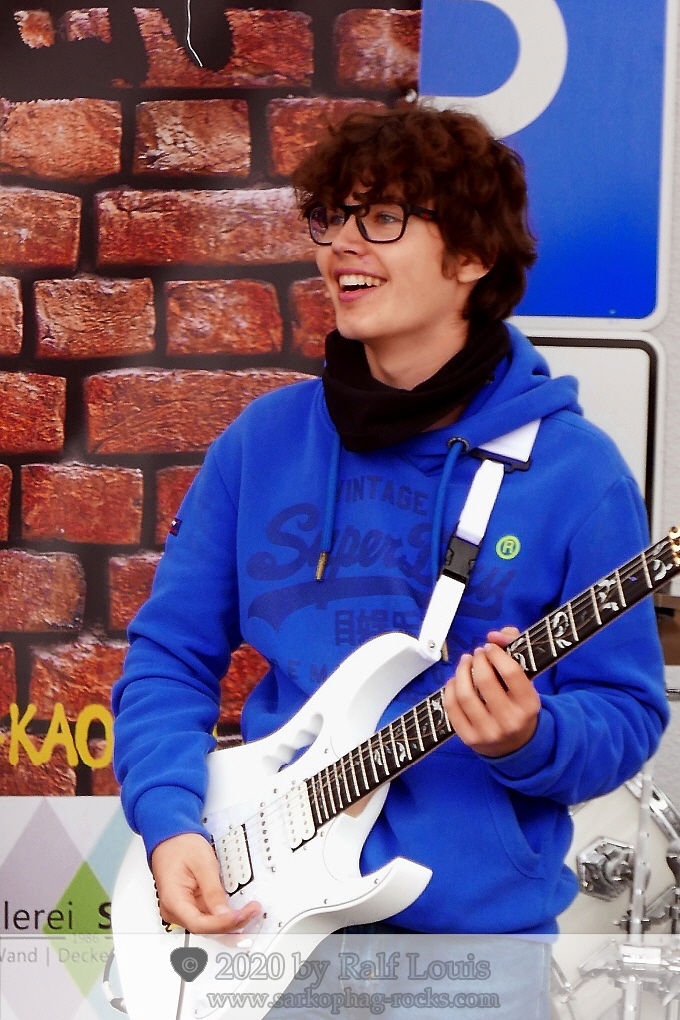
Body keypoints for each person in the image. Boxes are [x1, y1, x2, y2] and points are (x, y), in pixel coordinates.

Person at [111, 105, 668, 1010]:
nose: (341, 245)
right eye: (331, 217)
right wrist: (171, 822)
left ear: (473, 255)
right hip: (260, 935)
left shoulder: (577, 476)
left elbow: (627, 712)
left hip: (472, 969)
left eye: (382, 218)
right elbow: (169, 656)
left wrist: (530, 738)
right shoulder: (262, 443)